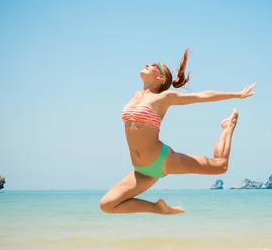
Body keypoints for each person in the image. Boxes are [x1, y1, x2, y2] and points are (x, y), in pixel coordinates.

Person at [100, 49, 255, 215]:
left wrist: (237, 94)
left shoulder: (163, 98)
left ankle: (228, 127)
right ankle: (157, 208)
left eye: (153, 66)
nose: (147, 65)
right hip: (141, 171)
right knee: (107, 205)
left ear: (160, 78)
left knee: (221, 166)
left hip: (161, 160)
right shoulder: (135, 96)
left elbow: (202, 96)